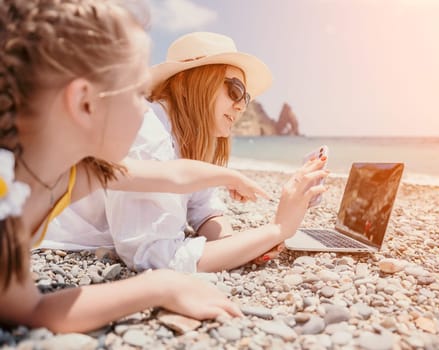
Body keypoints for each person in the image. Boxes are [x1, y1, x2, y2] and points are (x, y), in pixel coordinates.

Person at [0, 0, 328, 332]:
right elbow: (32, 309)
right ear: (84, 103)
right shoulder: (7, 208)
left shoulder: (80, 174)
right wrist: (276, 230)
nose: (147, 106)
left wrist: (232, 180)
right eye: (138, 91)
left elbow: (176, 175)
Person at [43, 32, 330, 273]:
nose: (242, 106)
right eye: (235, 90)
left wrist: (245, 246)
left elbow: (202, 209)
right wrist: (277, 229)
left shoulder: (186, 137)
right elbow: (154, 257)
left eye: (246, 97)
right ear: (186, 85)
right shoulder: (147, 134)